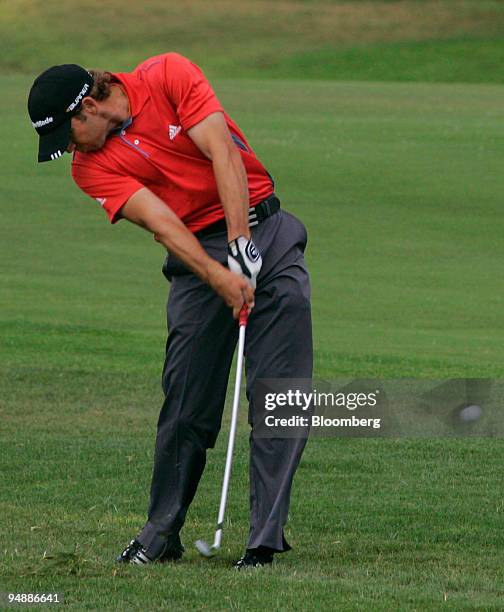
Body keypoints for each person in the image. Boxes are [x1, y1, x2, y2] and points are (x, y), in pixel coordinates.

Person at [27, 53, 313, 569]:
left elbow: (222, 150)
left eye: (66, 134)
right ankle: (161, 533)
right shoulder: (90, 167)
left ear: (89, 106)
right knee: (185, 401)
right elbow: (162, 223)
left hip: (263, 227)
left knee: (280, 392)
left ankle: (262, 541)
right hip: (196, 255)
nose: (67, 150)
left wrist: (242, 244)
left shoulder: (168, 74)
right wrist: (220, 275)